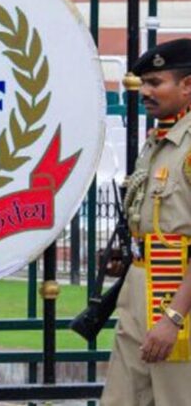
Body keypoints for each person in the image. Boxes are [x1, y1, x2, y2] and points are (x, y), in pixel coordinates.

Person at [101, 38, 191, 405]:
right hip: (138, 294)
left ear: (187, 86)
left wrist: (174, 317)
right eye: (144, 84)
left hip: (179, 302)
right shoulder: (158, 141)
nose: (145, 92)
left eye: (156, 83)